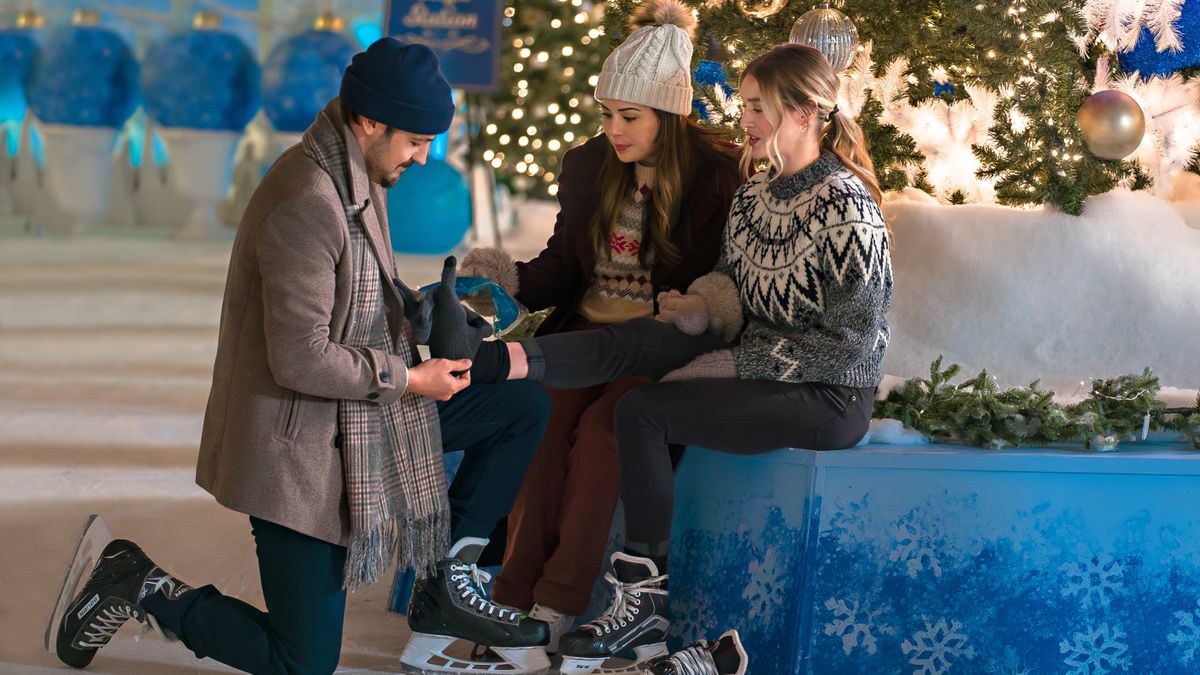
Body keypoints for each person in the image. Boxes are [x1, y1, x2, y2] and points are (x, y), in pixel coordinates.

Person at [51, 38, 552, 675]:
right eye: (417, 141)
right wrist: (410, 378)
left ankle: (446, 582)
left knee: (520, 404)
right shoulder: (307, 201)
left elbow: (353, 291)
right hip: (298, 444)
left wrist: (418, 313)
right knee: (303, 664)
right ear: (371, 121)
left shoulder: (359, 172)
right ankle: (138, 582)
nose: (424, 157)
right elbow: (302, 359)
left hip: (357, 418)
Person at [470, 42, 892, 675]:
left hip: (824, 391)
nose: (742, 119)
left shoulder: (843, 206)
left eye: (756, 107)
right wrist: (703, 309)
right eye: (745, 104)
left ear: (804, 113)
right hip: (727, 354)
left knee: (624, 414)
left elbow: (853, 350)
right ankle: (579, 601)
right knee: (594, 410)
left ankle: (591, 605)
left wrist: (731, 358)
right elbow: (728, 286)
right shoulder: (755, 195)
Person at [457, 0, 743, 661]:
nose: (612, 129)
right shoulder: (589, 165)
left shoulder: (718, 175)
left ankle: (555, 606)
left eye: (629, 116)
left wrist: (694, 310)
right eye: (606, 113)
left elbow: (720, 284)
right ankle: (508, 602)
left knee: (602, 436)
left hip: (656, 347)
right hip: (583, 336)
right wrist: (508, 282)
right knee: (541, 419)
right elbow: (562, 267)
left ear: (668, 113)